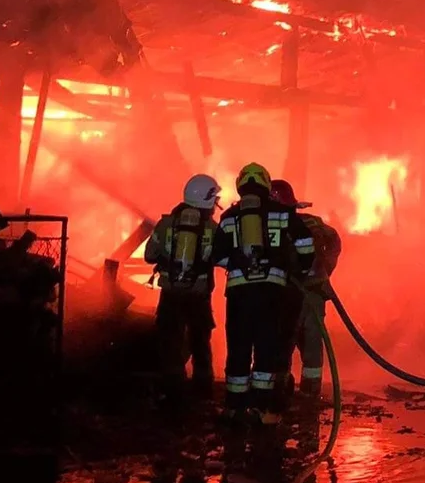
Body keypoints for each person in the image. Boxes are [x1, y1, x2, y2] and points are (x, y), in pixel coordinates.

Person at [211, 162, 316, 425]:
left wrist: (237, 266)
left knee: (238, 348)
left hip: (238, 295)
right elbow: (305, 243)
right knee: (266, 349)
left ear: (240, 184)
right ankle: (261, 409)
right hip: (271, 294)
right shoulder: (281, 213)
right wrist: (299, 269)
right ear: (266, 184)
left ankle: (234, 409)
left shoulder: (229, 217)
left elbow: (216, 255)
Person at [143, 173, 222, 404]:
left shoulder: (166, 224)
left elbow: (149, 255)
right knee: (200, 343)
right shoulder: (213, 228)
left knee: (171, 343)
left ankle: (173, 392)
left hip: (171, 295)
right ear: (207, 198)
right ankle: (203, 391)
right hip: (199, 295)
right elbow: (222, 258)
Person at [270, 179, 343, 398]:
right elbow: (334, 240)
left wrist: (325, 268)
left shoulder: (278, 225)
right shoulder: (309, 222)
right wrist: (326, 268)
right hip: (299, 291)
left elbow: (333, 240)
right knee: (302, 340)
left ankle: (291, 390)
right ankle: (300, 390)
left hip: (300, 292)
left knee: (291, 339)